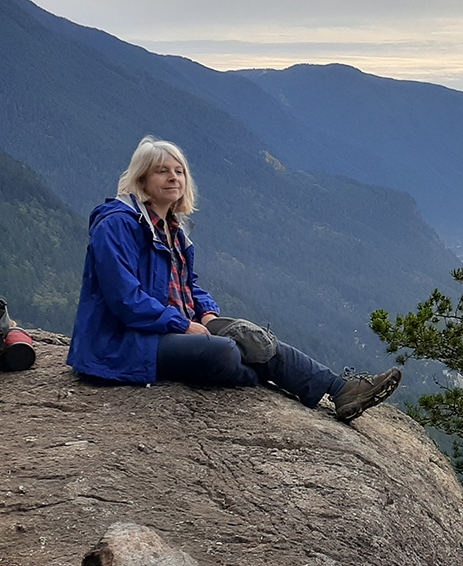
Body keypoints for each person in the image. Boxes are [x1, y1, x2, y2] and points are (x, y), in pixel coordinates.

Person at [67, 136, 401, 420]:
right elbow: (124, 299)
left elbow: (188, 285)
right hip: (124, 341)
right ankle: (267, 376)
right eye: (162, 171)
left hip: (171, 326)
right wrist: (182, 325)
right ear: (142, 181)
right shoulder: (117, 225)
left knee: (253, 338)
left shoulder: (173, 227)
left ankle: (340, 390)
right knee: (226, 352)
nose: (174, 178)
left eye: (179, 171)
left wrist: (207, 312)